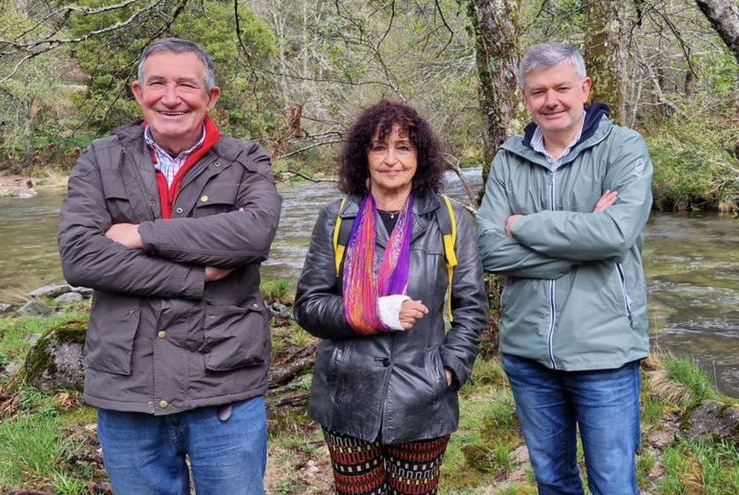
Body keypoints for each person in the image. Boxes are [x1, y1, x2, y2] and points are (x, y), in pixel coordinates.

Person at [57, 37, 281, 495]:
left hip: (225, 387)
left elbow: (254, 233)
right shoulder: (100, 159)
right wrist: (195, 274)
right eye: (157, 83)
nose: (171, 97)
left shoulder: (246, 159)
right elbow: (79, 258)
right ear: (138, 93)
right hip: (128, 390)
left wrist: (142, 234)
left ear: (210, 97)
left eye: (186, 84)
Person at [477, 42, 653, 495]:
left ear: (585, 89)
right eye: (538, 91)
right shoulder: (509, 158)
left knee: (613, 484)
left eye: (561, 88)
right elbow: (490, 252)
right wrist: (585, 237)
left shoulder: (623, 147)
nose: (550, 100)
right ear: (524, 97)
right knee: (553, 481)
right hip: (528, 353)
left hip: (604, 352)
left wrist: (524, 225)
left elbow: (615, 236)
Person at [294, 100, 487, 495]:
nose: (391, 159)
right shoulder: (338, 217)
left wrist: (449, 370)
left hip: (424, 394)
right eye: (379, 147)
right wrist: (377, 312)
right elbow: (309, 307)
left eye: (403, 147)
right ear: (362, 154)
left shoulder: (449, 220)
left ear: (421, 155)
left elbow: (471, 307)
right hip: (347, 396)